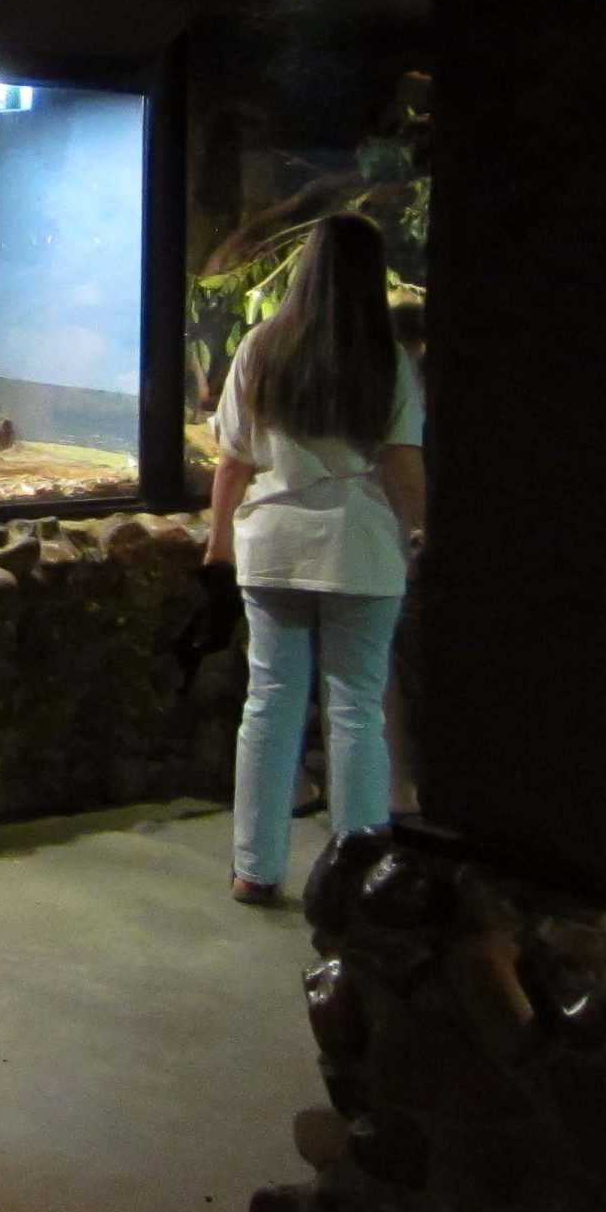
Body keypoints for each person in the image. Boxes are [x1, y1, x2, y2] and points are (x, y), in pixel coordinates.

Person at [206, 213, 426, 906]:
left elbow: (233, 461)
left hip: (271, 547)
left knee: (268, 705)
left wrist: (218, 544)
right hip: (357, 549)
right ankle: (355, 877)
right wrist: (422, 529)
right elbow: (400, 461)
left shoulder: (262, 347)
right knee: (356, 708)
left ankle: (254, 868)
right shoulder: (384, 357)